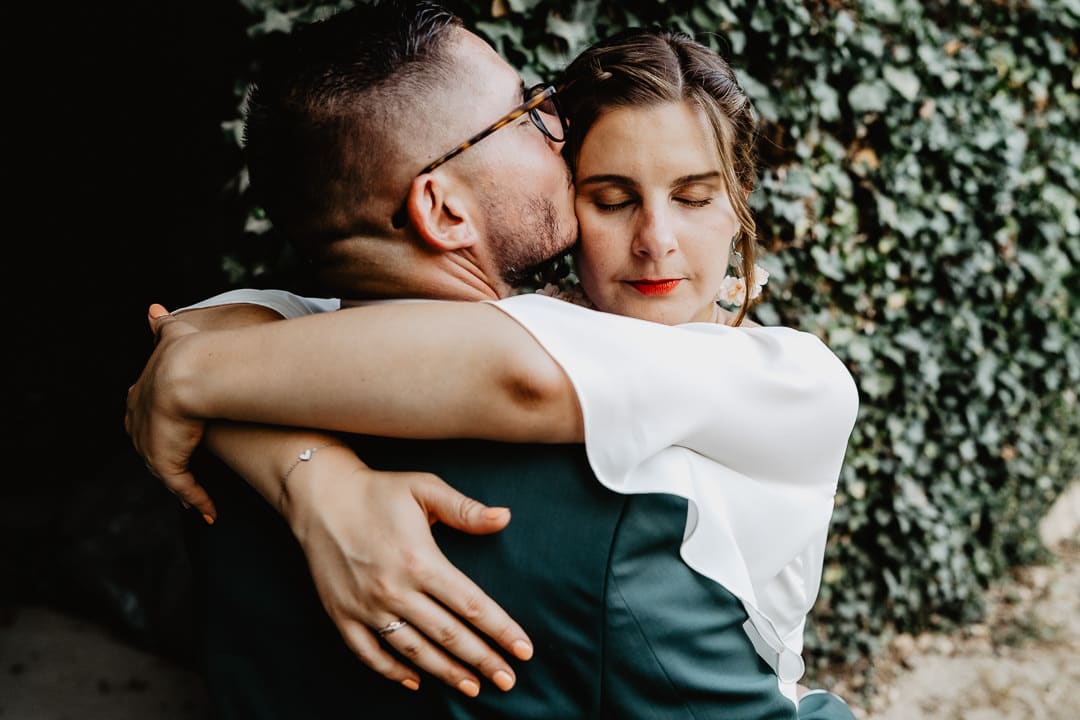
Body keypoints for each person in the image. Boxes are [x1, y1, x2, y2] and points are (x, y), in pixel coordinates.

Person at [127, 4, 858, 718]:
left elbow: (206, 332)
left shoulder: (223, 420)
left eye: (696, 196)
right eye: (528, 116)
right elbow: (521, 373)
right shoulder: (630, 507)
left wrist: (290, 466)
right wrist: (295, 470)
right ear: (444, 210)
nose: (554, 129)